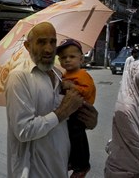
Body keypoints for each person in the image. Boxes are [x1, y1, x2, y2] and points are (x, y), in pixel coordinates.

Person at [5, 22, 97, 178]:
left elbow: (64, 123)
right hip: (33, 172)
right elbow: (23, 131)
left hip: (59, 169)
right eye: (41, 42)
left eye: (52, 42)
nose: (48, 49)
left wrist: (90, 121)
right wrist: (62, 112)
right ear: (28, 46)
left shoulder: (59, 75)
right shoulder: (19, 77)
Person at [57, 38, 96, 178]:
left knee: (77, 136)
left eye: (72, 57)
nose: (67, 60)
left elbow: (88, 91)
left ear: (81, 59)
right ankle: (73, 162)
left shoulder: (82, 75)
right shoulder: (64, 75)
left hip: (80, 110)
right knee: (70, 137)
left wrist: (72, 86)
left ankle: (82, 165)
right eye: (63, 58)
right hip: (71, 110)